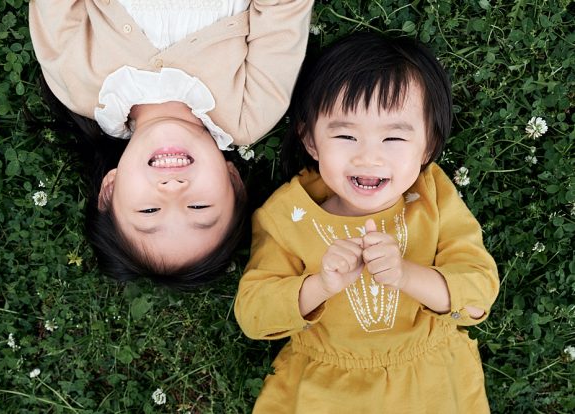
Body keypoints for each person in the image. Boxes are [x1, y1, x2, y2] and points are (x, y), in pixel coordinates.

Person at [234, 32, 500, 412]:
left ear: (427, 145)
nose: (368, 157)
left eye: (393, 138)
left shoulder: (432, 196)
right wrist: (320, 285)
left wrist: (405, 275)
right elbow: (254, 315)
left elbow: (476, 295)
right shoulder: (286, 215)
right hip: (322, 389)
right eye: (345, 135)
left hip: (433, 382)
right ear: (310, 140)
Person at [28, 0, 314, 288]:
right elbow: (284, 9)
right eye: (199, 206)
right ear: (233, 181)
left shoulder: (78, 86)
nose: (174, 189)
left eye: (149, 211)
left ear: (110, 189)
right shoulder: (251, 111)